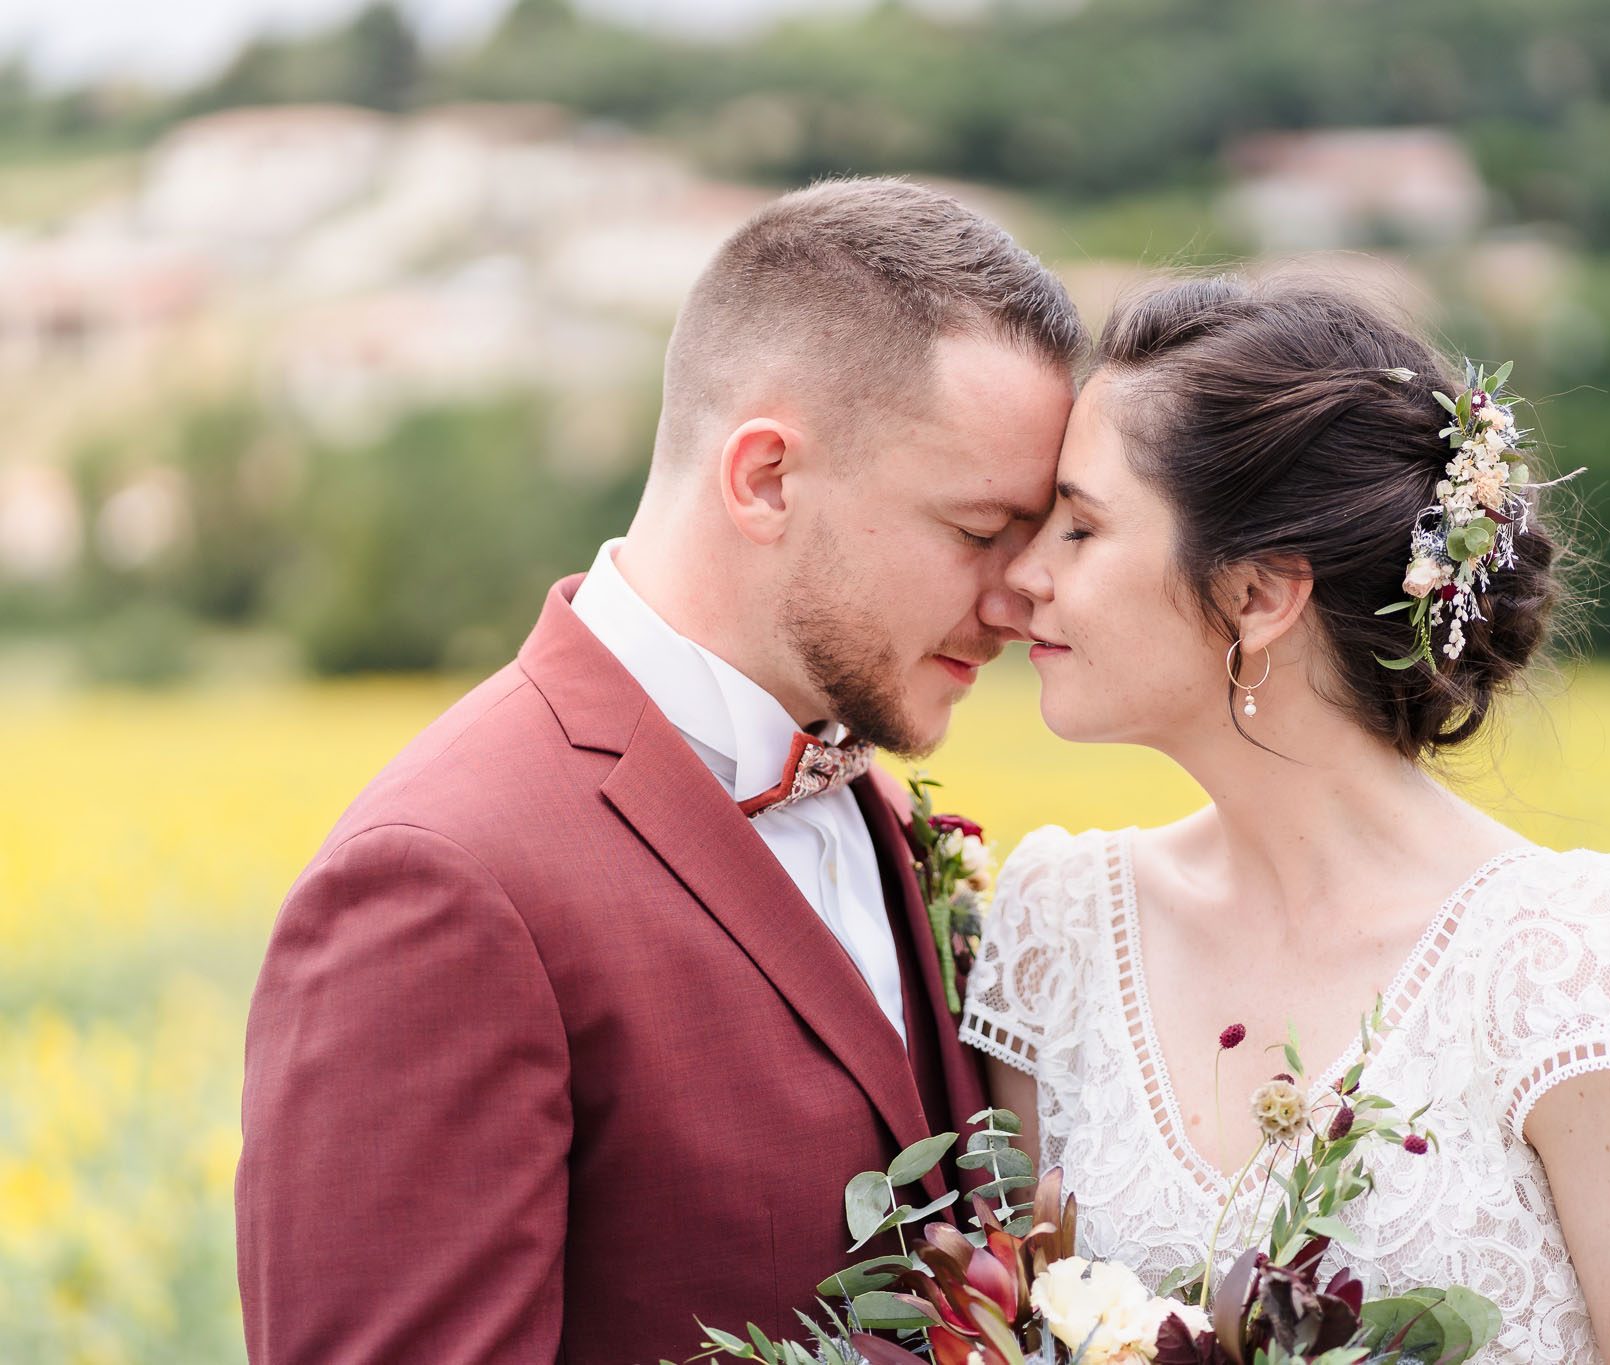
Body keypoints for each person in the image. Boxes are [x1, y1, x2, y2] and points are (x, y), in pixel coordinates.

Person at [235, 177, 1085, 1363]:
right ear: (765, 478)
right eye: (977, 531)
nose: (1014, 600)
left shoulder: (876, 798)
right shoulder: (439, 882)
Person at [961, 275, 1610, 1363]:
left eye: (1079, 526)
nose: (1021, 576)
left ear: (1257, 595)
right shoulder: (1054, 926)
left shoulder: (1564, 962)